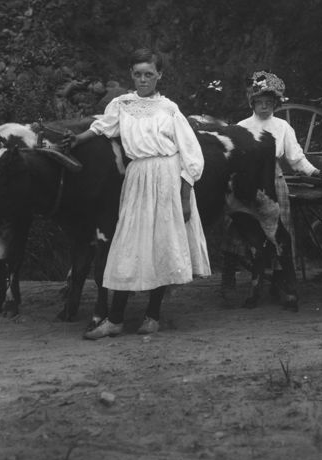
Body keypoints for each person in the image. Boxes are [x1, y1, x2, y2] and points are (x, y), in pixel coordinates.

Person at [60, 48, 210, 338]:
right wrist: (78, 138)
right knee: (129, 244)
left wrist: (184, 195)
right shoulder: (121, 104)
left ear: (159, 75)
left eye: (149, 75)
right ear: (131, 74)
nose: (143, 80)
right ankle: (115, 319)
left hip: (167, 176)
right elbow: (103, 127)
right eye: (138, 74)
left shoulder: (169, 109)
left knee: (160, 244)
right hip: (138, 176)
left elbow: (191, 153)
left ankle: (152, 315)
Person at [223, 71, 320, 290]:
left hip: (271, 179)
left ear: (275, 104)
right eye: (260, 102)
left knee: (280, 226)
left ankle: (279, 278)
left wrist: (313, 172)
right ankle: (228, 273)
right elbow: (231, 156)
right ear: (252, 103)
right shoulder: (241, 127)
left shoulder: (282, 127)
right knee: (235, 223)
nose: (264, 107)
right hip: (245, 180)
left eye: (269, 102)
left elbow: (295, 158)